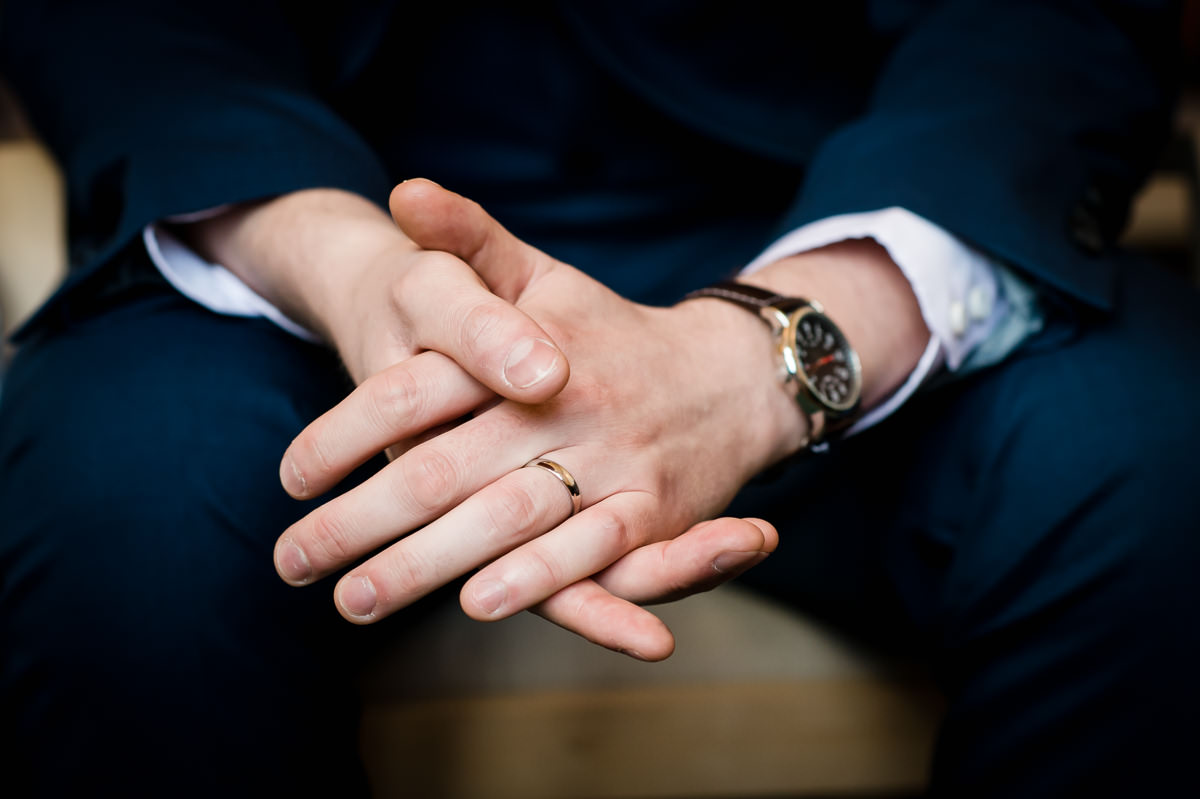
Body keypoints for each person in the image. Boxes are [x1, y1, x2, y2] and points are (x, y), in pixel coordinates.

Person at [1, 1, 1197, 796]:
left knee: (1148, 460)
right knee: (124, 491)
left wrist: (783, 343)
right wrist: (346, 267)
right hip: (302, 220)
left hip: (849, 192)